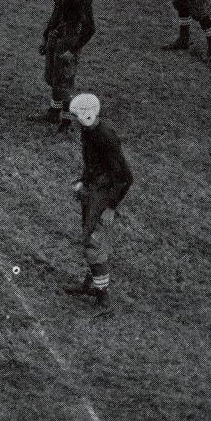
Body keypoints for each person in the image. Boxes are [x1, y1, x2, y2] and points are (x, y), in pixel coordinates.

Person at [63, 94, 133, 314]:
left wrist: (111, 206)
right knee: (89, 239)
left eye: (76, 116)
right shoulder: (89, 131)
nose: (73, 120)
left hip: (103, 197)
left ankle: (104, 301)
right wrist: (83, 181)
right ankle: (91, 284)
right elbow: (93, 163)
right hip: (94, 191)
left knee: (95, 246)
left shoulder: (105, 136)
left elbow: (125, 177)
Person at [30, 0, 95, 134]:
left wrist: (73, 49)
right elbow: (56, 14)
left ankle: (66, 122)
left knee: (64, 83)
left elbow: (90, 28)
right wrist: (46, 37)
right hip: (56, 38)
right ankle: (53, 112)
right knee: (52, 78)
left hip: (69, 40)